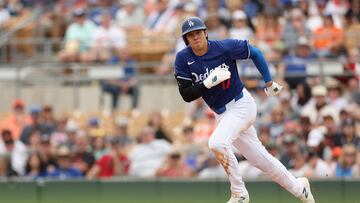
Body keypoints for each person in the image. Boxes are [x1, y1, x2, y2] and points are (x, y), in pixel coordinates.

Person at [174, 16, 315, 203]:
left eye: (198, 32)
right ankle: (300, 189)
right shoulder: (183, 58)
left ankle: (239, 193)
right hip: (222, 114)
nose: (195, 37)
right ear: (186, 40)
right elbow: (186, 95)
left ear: (205, 33)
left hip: (242, 105)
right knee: (261, 161)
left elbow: (254, 52)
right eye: (190, 35)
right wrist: (207, 84)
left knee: (216, 143)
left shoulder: (223, 47)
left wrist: (268, 81)